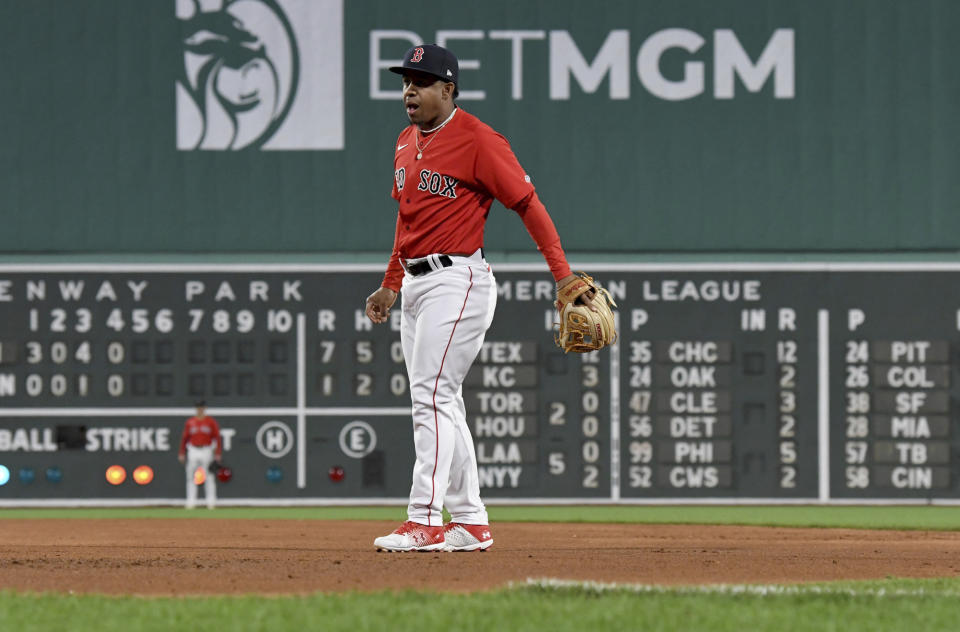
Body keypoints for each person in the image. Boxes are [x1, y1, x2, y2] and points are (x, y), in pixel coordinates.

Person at [365, 44, 595, 552]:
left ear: (448, 89)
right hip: (417, 283)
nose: (409, 90)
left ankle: (424, 518)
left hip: (458, 279)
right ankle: (469, 521)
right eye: (406, 80)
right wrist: (392, 282)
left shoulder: (478, 139)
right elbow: (408, 222)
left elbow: (528, 204)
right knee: (443, 400)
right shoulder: (405, 141)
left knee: (431, 396)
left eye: (421, 81)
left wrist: (562, 277)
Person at [177, 400, 222, 510]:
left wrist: (217, 453)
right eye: (198, 407)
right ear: (196, 409)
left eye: (202, 407)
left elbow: (217, 438)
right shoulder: (190, 422)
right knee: (190, 476)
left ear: (205, 408)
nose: (200, 409)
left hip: (206, 449)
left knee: (209, 476)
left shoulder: (211, 422)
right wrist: (182, 452)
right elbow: (184, 438)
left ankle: (211, 502)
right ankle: (191, 501)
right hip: (193, 449)